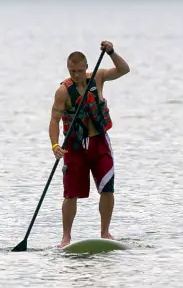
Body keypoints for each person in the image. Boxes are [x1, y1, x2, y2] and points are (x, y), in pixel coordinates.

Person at [50, 40, 131, 248]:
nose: (76, 75)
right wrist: (55, 145)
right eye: (72, 71)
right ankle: (66, 237)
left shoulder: (98, 77)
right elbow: (54, 121)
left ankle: (105, 232)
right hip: (74, 147)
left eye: (79, 70)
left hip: (99, 143)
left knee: (107, 188)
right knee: (70, 194)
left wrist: (111, 52)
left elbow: (124, 70)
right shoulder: (63, 92)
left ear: (86, 67)